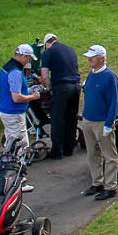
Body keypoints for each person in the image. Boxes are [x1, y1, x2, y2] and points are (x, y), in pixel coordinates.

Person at [78, 44, 118, 200]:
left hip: (102, 122)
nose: (89, 59)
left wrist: (109, 124)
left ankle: (111, 187)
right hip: (88, 120)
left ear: (102, 58)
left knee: (109, 155)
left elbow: (113, 103)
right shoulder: (91, 74)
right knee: (92, 154)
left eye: (92, 56)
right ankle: (97, 183)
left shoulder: (110, 77)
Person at [0, 43, 41, 176]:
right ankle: (17, 179)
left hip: (7, 110)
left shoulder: (7, 67)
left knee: (11, 145)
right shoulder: (16, 72)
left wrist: (27, 91)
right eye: (28, 58)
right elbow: (16, 97)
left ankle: (10, 175)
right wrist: (33, 96)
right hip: (14, 113)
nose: (28, 62)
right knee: (20, 147)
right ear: (22, 56)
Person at [38, 32, 81, 160]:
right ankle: (69, 148)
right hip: (76, 86)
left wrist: (50, 88)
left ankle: (57, 151)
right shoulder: (70, 49)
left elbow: (44, 75)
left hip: (62, 87)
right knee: (71, 118)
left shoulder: (48, 52)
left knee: (57, 119)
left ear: (47, 44)